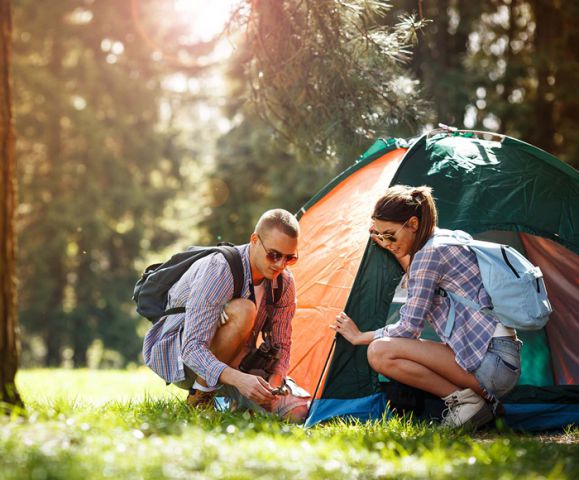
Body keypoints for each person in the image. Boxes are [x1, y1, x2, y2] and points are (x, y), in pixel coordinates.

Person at [330, 185, 522, 428]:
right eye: (380, 235)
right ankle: (480, 400)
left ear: (412, 224)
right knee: (384, 349)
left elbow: (410, 328)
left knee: (379, 352)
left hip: (491, 363)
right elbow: (419, 275)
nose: (386, 242)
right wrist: (392, 243)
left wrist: (360, 337)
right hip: (500, 359)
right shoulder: (442, 240)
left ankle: (468, 402)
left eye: (390, 235)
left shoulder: (428, 256)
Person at [143, 209, 309, 422]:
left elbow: (282, 344)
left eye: (290, 257)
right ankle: (201, 396)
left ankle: (237, 405)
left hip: (238, 360)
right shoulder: (220, 268)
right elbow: (192, 348)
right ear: (255, 240)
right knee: (244, 311)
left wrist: (275, 383)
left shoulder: (284, 282)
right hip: (183, 359)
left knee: (297, 412)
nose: (280, 264)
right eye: (274, 255)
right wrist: (240, 380)